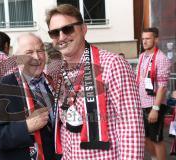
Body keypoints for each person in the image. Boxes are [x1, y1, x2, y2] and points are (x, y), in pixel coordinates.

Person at [46, 4, 144, 159]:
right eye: (54, 33)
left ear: (84, 29)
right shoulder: (56, 71)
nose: (62, 37)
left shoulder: (113, 64)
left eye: (68, 29)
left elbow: (131, 128)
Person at [0, 33, 55, 160]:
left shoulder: (54, 83)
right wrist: (25, 127)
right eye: (29, 52)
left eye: (40, 51)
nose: (37, 57)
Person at [137, 27, 171, 160]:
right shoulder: (142, 56)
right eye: (143, 38)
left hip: (154, 105)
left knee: (157, 139)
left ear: (156, 39)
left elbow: (162, 87)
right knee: (144, 138)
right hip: (142, 104)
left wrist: (155, 109)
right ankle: (155, 158)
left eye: (148, 39)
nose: (144, 41)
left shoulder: (161, 58)